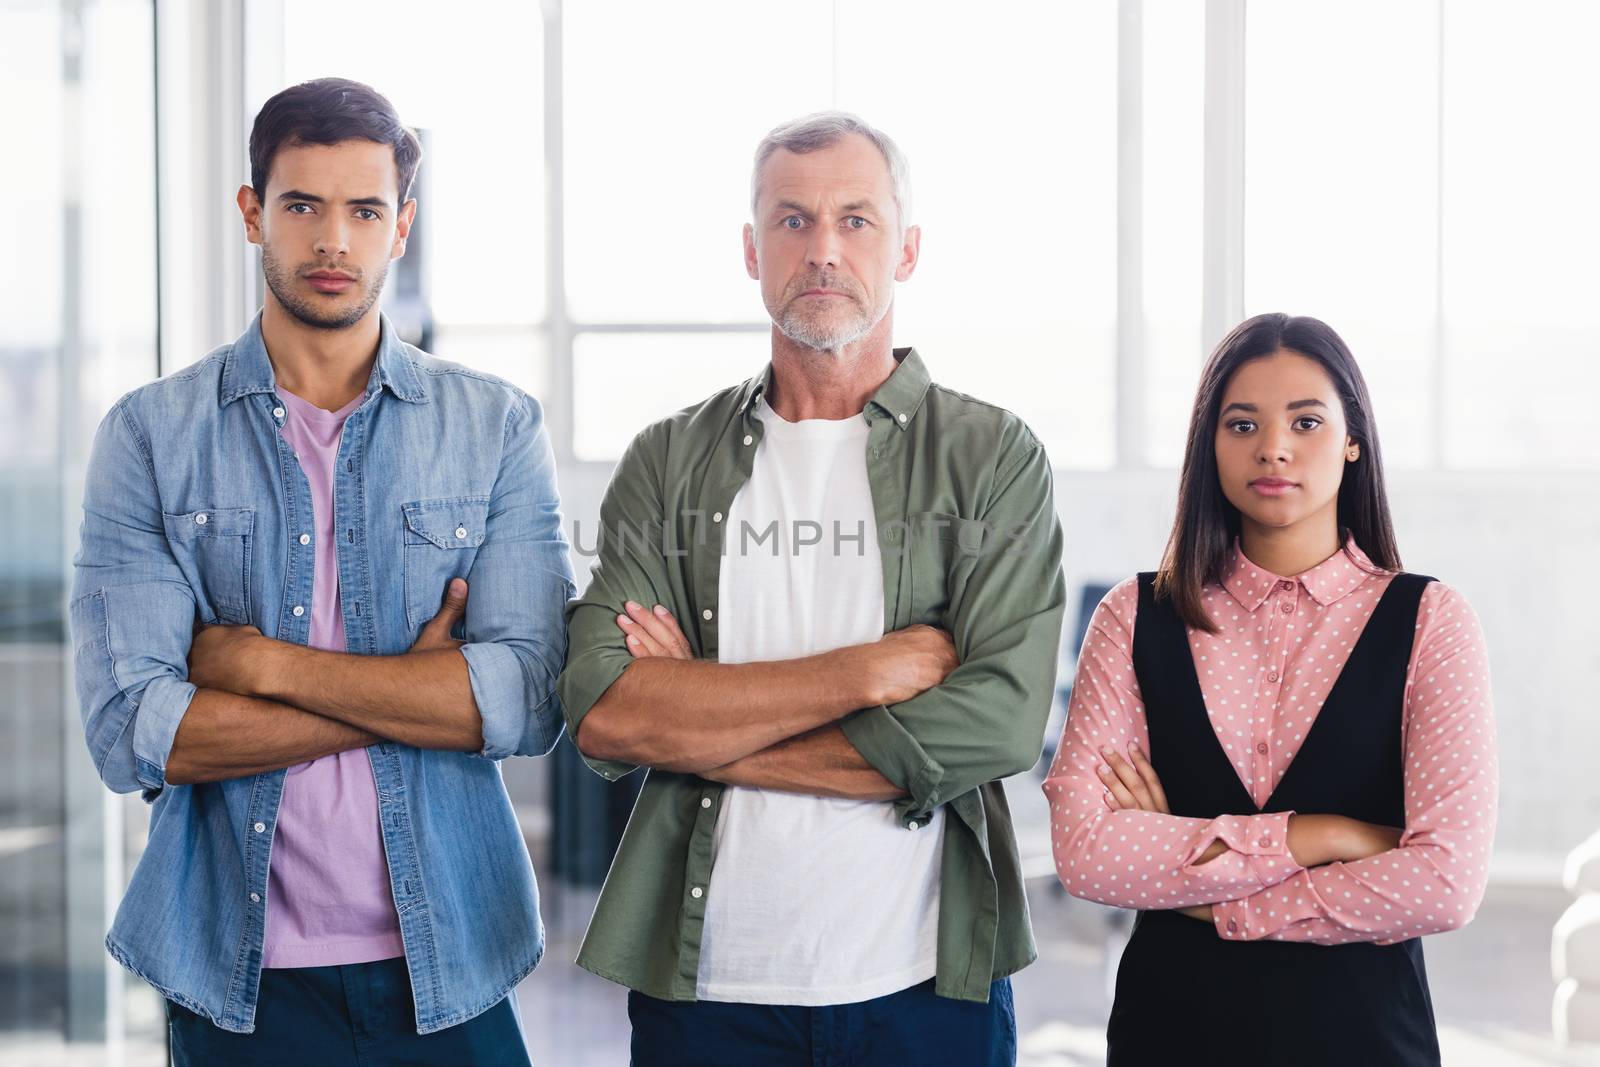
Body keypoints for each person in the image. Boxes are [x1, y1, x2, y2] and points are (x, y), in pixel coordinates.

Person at [69, 78, 573, 1064]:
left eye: (364, 210)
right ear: (253, 210)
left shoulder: (497, 425)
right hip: (235, 973)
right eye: (302, 205)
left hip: (453, 957)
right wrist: (413, 690)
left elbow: (528, 697)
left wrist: (260, 666)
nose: (333, 239)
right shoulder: (151, 436)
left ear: (402, 224)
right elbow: (130, 729)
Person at [556, 112, 1066, 1066]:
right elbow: (605, 713)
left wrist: (708, 735)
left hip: (922, 985)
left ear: (906, 249)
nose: (823, 249)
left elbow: (995, 723)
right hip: (709, 991)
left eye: (856, 220)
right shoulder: (669, 460)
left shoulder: (992, 456)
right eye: (792, 221)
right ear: (753, 251)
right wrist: (868, 670)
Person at [1043, 313, 1497, 1065]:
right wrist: (1328, 837)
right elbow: (1089, 854)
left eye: (1307, 420)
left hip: (1365, 1041)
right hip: (1171, 1034)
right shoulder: (1133, 616)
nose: (1274, 447)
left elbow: (1445, 881)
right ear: (1210, 444)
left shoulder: (1431, 622)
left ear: (1354, 439)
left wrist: (1201, 890)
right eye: (1242, 422)